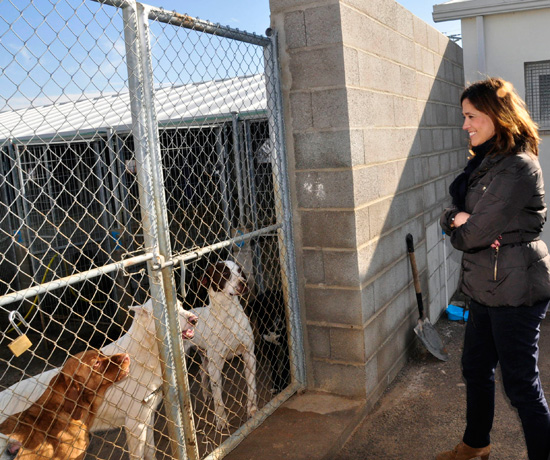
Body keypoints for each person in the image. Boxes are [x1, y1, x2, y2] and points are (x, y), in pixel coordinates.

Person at [438, 77, 550, 460]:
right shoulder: (486, 163)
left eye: (471, 116)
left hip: (516, 287)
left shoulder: (517, 167)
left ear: (497, 116)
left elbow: (472, 235)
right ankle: (476, 445)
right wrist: (459, 218)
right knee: (475, 367)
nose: (465, 125)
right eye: (464, 116)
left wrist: (466, 225)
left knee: (520, 386)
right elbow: (458, 218)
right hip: (485, 284)